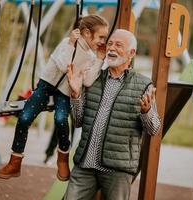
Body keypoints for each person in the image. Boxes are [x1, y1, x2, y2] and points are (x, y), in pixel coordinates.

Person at [0, 15, 109, 181]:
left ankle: (62, 159)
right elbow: (63, 66)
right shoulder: (66, 43)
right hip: (47, 84)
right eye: (101, 37)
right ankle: (15, 162)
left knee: (61, 119)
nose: (103, 41)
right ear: (86, 33)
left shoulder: (91, 57)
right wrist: (71, 44)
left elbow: (89, 80)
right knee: (25, 117)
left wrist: (99, 58)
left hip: (65, 91)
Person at [65, 29, 161, 199]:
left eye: (118, 45)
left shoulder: (143, 85)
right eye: (110, 43)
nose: (112, 48)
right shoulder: (92, 79)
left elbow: (153, 129)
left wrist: (146, 112)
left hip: (118, 170)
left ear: (131, 53)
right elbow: (79, 121)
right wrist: (76, 95)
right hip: (85, 165)